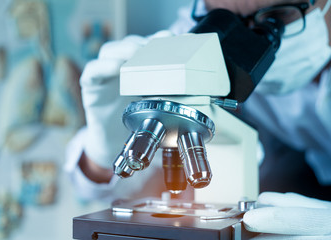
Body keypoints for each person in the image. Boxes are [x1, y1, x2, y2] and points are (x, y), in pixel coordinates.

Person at [64, 0, 331, 237]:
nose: (243, 41)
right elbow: (89, 192)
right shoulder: (199, 34)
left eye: (276, 17)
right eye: (223, 16)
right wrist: (103, 153)